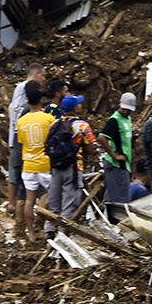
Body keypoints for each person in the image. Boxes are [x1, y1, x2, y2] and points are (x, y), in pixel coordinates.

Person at [45, 94, 95, 235]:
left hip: (55, 166)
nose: (80, 105)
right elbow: (91, 149)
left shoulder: (54, 124)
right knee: (70, 200)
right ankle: (63, 232)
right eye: (78, 104)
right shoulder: (82, 126)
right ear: (75, 108)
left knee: (54, 198)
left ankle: (50, 229)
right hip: (73, 167)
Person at [16, 82, 55, 242]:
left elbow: (21, 142)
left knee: (29, 200)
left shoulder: (21, 121)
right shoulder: (49, 119)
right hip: (44, 163)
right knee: (50, 195)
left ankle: (31, 233)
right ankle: (44, 218)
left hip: (28, 164)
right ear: (41, 100)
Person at [6, 65, 45, 216]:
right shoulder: (24, 88)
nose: (43, 80)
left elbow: (12, 108)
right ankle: (14, 204)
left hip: (18, 134)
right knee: (18, 170)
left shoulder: (18, 89)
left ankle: (14, 205)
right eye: (43, 76)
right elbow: (15, 109)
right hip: (22, 138)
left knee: (17, 170)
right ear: (37, 74)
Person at [99, 92, 137, 218]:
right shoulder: (114, 120)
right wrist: (114, 155)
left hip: (124, 165)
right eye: (125, 109)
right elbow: (102, 138)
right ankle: (115, 225)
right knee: (117, 200)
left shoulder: (128, 119)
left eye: (128, 110)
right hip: (115, 164)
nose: (126, 112)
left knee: (122, 198)